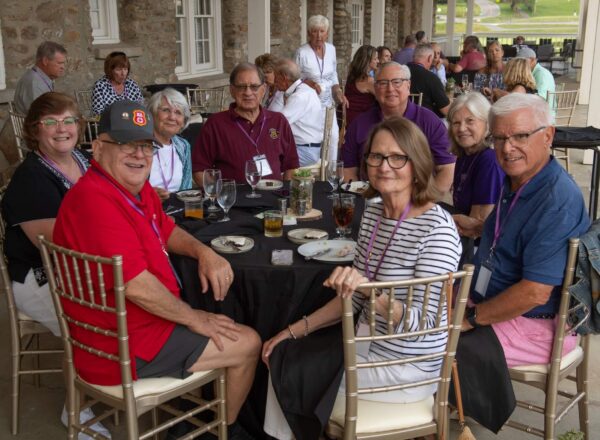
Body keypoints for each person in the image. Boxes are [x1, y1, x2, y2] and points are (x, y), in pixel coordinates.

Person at [53, 100, 261, 440]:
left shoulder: (129, 188)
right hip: (120, 348)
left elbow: (165, 228)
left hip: (134, 328)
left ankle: (197, 420)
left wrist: (202, 251)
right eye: (126, 145)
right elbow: (135, 287)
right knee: (248, 342)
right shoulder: (94, 201)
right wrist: (195, 318)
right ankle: (221, 431)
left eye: (145, 146)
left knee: (220, 311)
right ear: (99, 147)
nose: (138, 155)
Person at [262, 117, 461, 440]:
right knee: (279, 352)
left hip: (409, 366)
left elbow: (421, 324)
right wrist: (291, 331)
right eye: (376, 156)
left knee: (289, 369)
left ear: (418, 163)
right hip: (366, 345)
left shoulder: (435, 230)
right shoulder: (374, 212)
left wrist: (372, 293)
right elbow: (352, 297)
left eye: (398, 157)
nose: (384, 166)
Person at [453, 93, 590, 431]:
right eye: (499, 138)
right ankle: (442, 415)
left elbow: (534, 292)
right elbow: (513, 230)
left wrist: (471, 319)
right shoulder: (520, 178)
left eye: (520, 136)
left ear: (548, 135)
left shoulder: (556, 197)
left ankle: (444, 423)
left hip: (537, 323)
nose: (507, 147)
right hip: (496, 302)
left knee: (436, 341)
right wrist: (478, 226)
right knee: (415, 316)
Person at [0, 92, 112, 438]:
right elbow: (59, 247)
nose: (60, 129)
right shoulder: (30, 178)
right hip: (40, 277)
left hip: (85, 268)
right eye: (50, 122)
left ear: (79, 126)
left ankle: (113, 381)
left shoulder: (82, 160)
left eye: (67, 120)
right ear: (35, 130)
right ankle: (75, 411)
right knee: (98, 318)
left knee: (133, 303)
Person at [342, 62, 455, 194]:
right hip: (370, 200)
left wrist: (425, 204)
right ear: (375, 89)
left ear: (408, 86)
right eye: (383, 83)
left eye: (397, 82)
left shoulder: (430, 122)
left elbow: (447, 168)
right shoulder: (359, 124)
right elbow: (348, 170)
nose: (390, 89)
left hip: (416, 203)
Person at [192, 62, 299, 185]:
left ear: (263, 89)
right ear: (232, 90)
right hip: (234, 201)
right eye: (241, 87)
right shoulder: (215, 124)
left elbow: (291, 165)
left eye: (254, 87)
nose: (248, 93)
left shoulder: (279, 121)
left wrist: (285, 194)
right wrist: (219, 196)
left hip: (273, 198)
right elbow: (199, 170)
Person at [295, 15, 348, 162]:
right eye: (314, 31)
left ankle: (329, 179)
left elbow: (333, 74)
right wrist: (308, 83)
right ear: (308, 33)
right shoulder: (302, 52)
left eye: (322, 31)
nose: (318, 35)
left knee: (333, 140)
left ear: (327, 33)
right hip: (310, 107)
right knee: (316, 143)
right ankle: (315, 177)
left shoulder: (331, 49)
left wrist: (338, 91)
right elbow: (294, 79)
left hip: (328, 106)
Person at [448, 93, 504, 229]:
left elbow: (477, 224)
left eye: (470, 121)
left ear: (487, 124)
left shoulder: (489, 160)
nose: (461, 128)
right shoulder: (465, 154)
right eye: (456, 122)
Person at [273, 58, 324, 167]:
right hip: (303, 147)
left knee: (268, 162)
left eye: (276, 77)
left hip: (306, 151)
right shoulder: (302, 89)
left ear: (284, 77)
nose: (274, 82)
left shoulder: (299, 96)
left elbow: (278, 123)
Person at [147, 88, 193, 200]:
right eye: (166, 110)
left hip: (176, 211)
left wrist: (191, 215)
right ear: (152, 114)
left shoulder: (183, 146)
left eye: (178, 112)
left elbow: (187, 190)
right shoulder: (140, 144)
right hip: (145, 210)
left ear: (183, 122)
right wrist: (146, 194)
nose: (172, 117)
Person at [13, 42, 67, 115]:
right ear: (45, 61)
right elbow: (39, 115)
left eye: (63, 63)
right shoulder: (34, 82)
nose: (63, 67)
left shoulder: (39, 76)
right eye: (59, 63)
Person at [91, 51, 144, 115]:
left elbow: (141, 106)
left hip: (132, 122)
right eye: (118, 69)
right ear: (110, 70)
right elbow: (98, 112)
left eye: (125, 69)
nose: (123, 74)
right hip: (110, 123)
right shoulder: (100, 86)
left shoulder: (131, 84)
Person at [407, 43, 450, 117]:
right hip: (423, 122)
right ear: (430, 58)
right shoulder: (431, 78)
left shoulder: (399, 72)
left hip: (399, 120)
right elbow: (446, 110)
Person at [344, 45, 378, 127]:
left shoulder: (352, 76)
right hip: (362, 121)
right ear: (367, 61)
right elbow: (382, 98)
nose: (378, 61)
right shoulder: (368, 80)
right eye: (375, 58)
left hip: (349, 118)